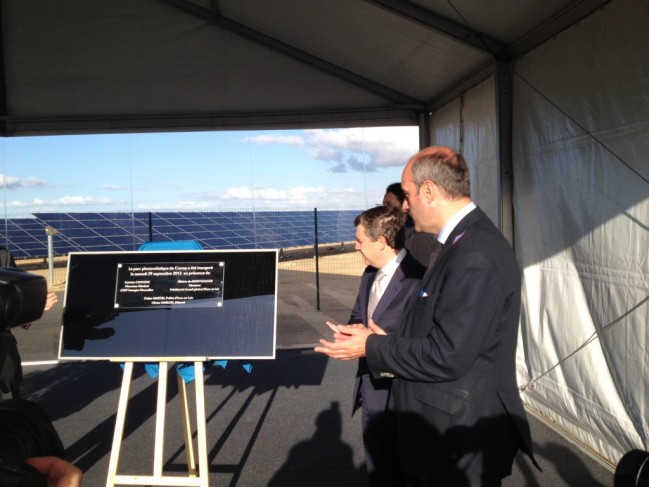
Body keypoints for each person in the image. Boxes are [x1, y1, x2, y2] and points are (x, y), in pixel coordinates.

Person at [316, 146, 538, 486]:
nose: (404, 206)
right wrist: (387, 340)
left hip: (459, 440)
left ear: (430, 191)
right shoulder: (460, 244)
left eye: (407, 195)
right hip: (445, 429)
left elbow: (447, 356)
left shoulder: (474, 254)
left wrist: (372, 346)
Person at [335, 205, 424, 486]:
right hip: (371, 391)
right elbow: (358, 314)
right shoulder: (369, 274)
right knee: (379, 470)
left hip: (403, 396)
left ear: (382, 242)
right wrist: (350, 333)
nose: (355, 246)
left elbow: (425, 340)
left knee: (407, 471)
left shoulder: (419, 278)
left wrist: (377, 342)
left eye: (360, 240)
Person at [0, 247, 58, 399]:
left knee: (9, 412)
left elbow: (14, 298)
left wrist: (32, 307)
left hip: (4, 357)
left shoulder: (3, 255)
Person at [383, 182, 441, 269]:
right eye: (384, 204)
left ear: (405, 204)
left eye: (389, 204)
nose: (384, 209)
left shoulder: (420, 236)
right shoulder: (397, 232)